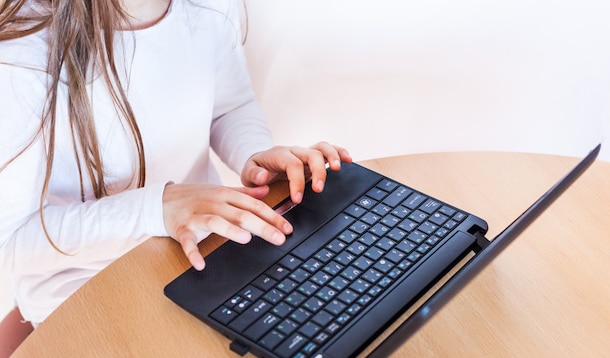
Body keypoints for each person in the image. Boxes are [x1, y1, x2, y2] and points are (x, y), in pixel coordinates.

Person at [0, 0, 352, 328]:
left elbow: (231, 106)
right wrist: (156, 209)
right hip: (82, 295)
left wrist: (255, 158)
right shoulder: (22, 51)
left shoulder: (208, 7)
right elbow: (11, 241)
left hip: (197, 258)